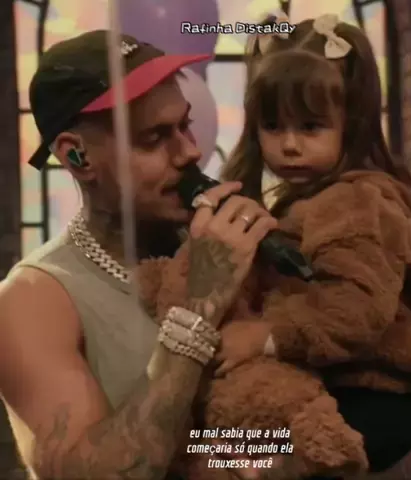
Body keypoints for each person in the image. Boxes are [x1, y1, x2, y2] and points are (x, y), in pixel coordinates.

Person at [0, 30, 288, 480]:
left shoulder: (222, 245)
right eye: (155, 138)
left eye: (184, 125)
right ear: (77, 157)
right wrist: (198, 307)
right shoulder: (31, 299)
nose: (190, 152)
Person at [219, 14, 411, 478]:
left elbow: (355, 311)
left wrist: (265, 336)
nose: (289, 144)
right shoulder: (314, 200)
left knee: (234, 459)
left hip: (370, 401)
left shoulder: (357, 204)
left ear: (352, 123)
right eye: (273, 126)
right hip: (344, 392)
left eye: (310, 127)